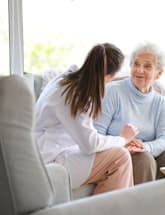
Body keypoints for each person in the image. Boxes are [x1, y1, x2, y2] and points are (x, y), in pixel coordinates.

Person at [34, 43, 140, 195]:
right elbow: (89, 145)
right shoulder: (76, 95)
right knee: (120, 158)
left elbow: (85, 138)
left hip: (50, 152)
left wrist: (116, 144)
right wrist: (122, 139)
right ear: (108, 77)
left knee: (117, 153)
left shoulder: (64, 80)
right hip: (50, 161)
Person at [94, 41, 165, 184]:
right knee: (143, 158)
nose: (139, 70)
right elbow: (97, 133)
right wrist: (123, 143)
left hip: (145, 153)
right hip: (117, 155)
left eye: (147, 66)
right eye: (136, 64)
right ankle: (143, 206)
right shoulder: (113, 91)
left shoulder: (160, 102)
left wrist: (145, 147)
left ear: (159, 73)